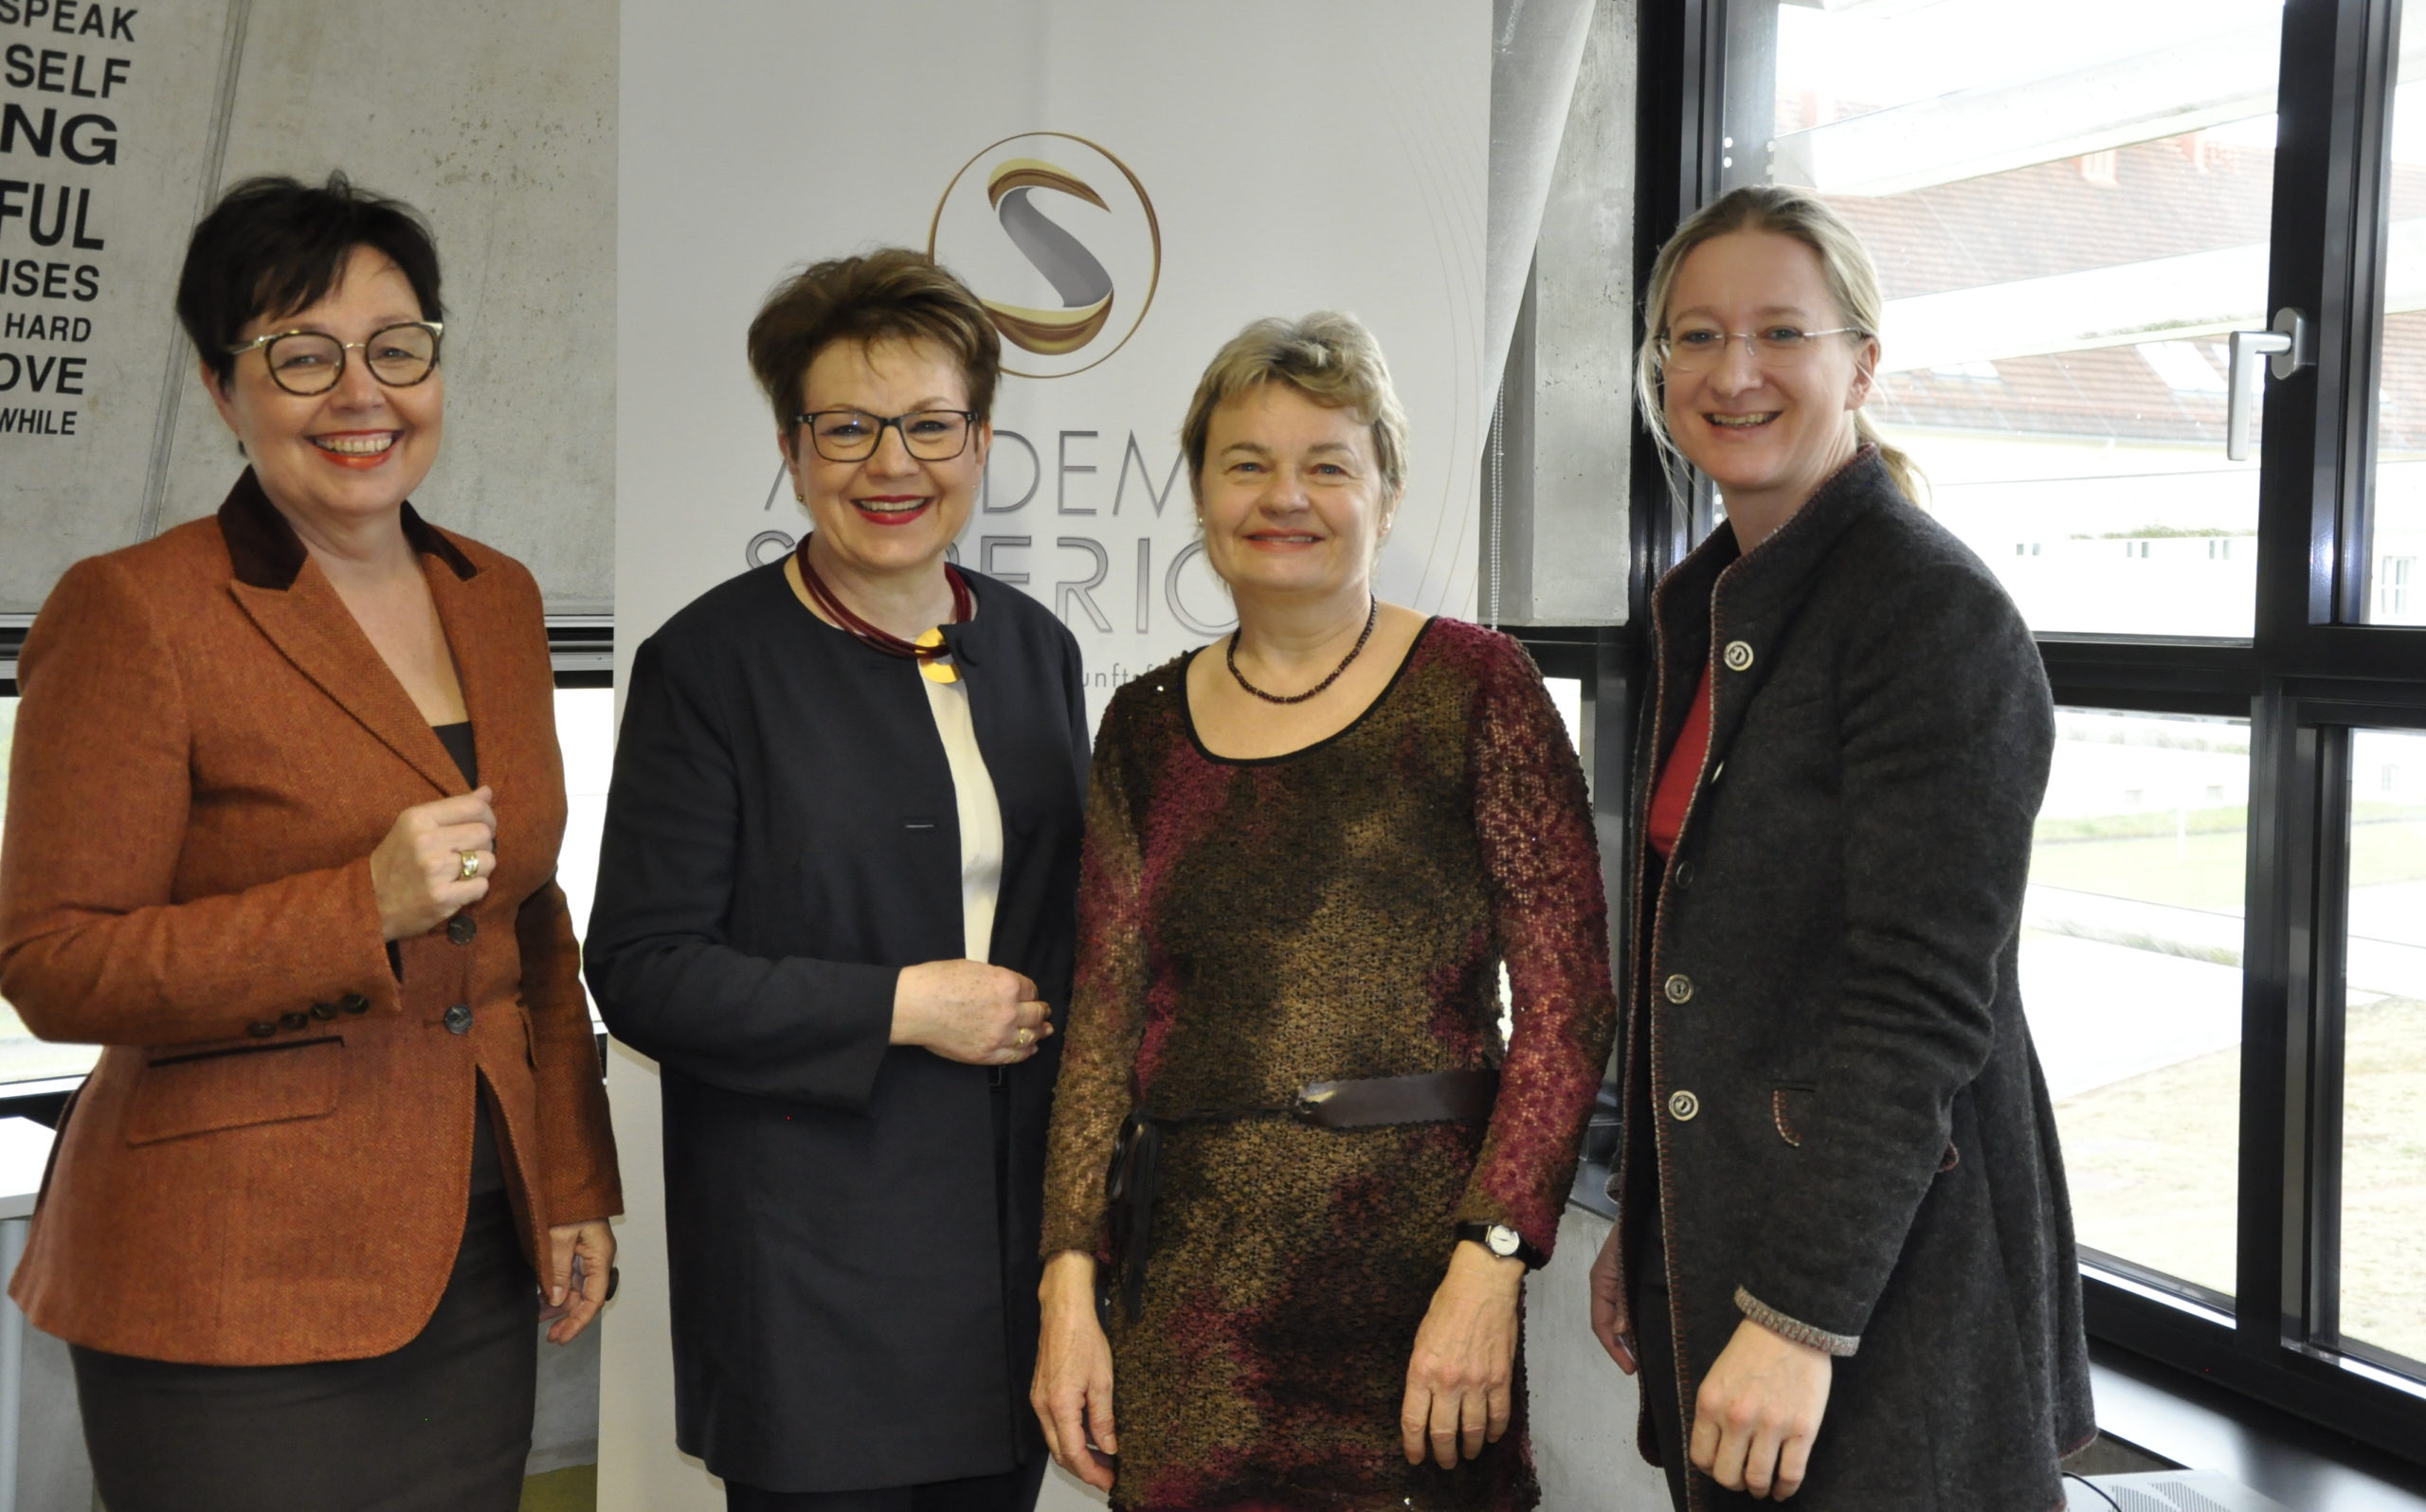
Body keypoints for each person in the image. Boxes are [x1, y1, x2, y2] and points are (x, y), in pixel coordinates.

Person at [0, 173, 622, 1512]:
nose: (362, 394)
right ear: (226, 389)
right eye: (302, 355)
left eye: (399, 350)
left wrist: (573, 1178)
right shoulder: (136, 610)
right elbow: (54, 964)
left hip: (473, 1254)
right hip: (228, 1283)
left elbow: (529, 922)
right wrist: (362, 904)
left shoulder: (498, 598)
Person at [1031, 312, 1616, 1512]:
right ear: (1198, 493)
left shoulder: (1476, 687)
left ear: (1386, 497)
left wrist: (1494, 1257)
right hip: (1192, 1314)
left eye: (1327, 464)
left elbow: (1568, 1011)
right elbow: (1101, 1027)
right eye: (1246, 462)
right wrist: (1067, 1290)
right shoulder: (1142, 726)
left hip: (1420, 1302)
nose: (1283, 496)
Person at [1587, 184, 2093, 1509]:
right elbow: (1691, 961)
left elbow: (1919, 1007)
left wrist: (1800, 1317)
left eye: (1780, 334)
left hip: (1886, 1290)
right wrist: (1643, 1216)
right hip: (1734, 1244)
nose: (1732, 372)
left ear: (1862, 362)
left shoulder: (1930, 613)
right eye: (1693, 337)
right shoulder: (1704, 606)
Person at [585, 248, 1089, 1512]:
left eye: (930, 425)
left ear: (981, 436)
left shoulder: (1035, 648)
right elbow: (642, 969)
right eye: (850, 428)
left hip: (1009, 1272)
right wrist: (900, 1008)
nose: (892, 465)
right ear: (791, 444)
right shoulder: (708, 666)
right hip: (812, 1289)